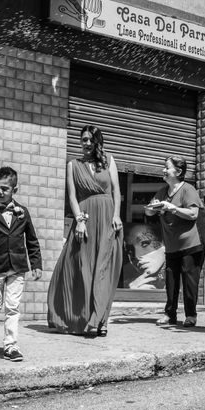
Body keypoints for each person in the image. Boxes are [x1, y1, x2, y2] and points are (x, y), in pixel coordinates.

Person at [47, 125, 123, 336]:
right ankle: (81, 317)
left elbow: (116, 190)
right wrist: (79, 221)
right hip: (86, 219)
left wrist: (116, 215)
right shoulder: (72, 165)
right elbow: (72, 197)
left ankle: (101, 320)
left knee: (103, 271)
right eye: (83, 140)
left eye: (91, 140)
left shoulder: (109, 160)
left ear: (98, 142)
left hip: (108, 219)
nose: (87, 143)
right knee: (81, 269)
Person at [0, 167, 42, 361]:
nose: (0, 192)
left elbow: (32, 239)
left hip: (17, 267)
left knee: (12, 307)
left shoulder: (23, 213)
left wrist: (36, 263)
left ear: (14, 190)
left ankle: (11, 345)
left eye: (5, 189)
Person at [146, 156, 205, 327]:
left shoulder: (188, 190)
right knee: (171, 281)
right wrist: (153, 208)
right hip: (172, 244)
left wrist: (172, 208)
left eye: (167, 167)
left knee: (190, 281)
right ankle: (170, 314)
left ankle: (191, 315)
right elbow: (149, 212)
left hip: (192, 243)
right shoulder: (163, 191)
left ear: (178, 172)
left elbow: (193, 214)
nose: (163, 170)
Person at [122, 223, 165, 290]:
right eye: (131, 250)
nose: (137, 255)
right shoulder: (125, 278)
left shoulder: (178, 273)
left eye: (145, 244)